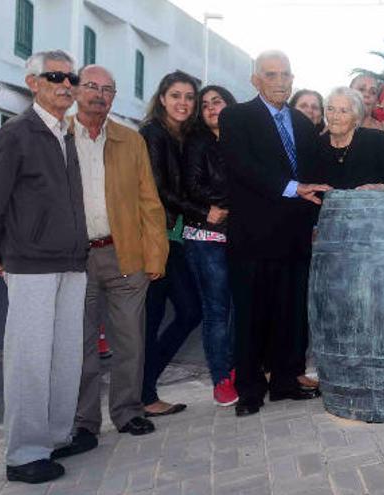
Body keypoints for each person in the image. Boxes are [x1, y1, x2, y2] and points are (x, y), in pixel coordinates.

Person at [0, 50, 88, 484]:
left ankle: (56, 436)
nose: (66, 84)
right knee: (29, 359)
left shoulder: (66, 133)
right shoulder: (17, 134)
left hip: (71, 262)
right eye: (55, 76)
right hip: (31, 264)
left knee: (65, 355)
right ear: (33, 82)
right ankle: (23, 454)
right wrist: (3, 255)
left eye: (71, 77)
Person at [56, 65, 169, 461]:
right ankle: (84, 423)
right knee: (80, 346)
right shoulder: (57, 135)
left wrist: (154, 255)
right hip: (74, 259)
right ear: (75, 90)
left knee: (130, 341)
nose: (99, 95)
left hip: (125, 254)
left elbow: (149, 202)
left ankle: (126, 411)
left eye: (108, 89)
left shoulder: (129, 139)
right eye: (92, 87)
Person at [219, 50, 330, 417]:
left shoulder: (302, 122)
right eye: (271, 74)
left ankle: (285, 381)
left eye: (286, 75)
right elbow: (242, 167)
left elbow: (315, 171)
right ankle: (250, 389)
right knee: (251, 316)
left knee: (290, 312)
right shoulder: (235, 117)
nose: (281, 81)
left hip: (295, 236)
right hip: (252, 236)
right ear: (255, 80)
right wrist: (291, 187)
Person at [139, 71, 204, 418]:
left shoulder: (185, 137)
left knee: (190, 312)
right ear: (162, 98)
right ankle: (145, 394)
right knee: (151, 321)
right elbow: (159, 191)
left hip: (175, 239)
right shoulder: (152, 134)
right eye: (176, 95)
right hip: (154, 239)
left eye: (189, 97)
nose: (183, 102)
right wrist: (205, 211)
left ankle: (144, 387)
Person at [183, 85, 239, 407]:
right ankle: (221, 379)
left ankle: (237, 370)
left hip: (240, 235)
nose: (211, 108)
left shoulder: (242, 141)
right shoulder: (197, 142)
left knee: (239, 308)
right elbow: (191, 185)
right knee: (217, 311)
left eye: (217, 101)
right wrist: (215, 207)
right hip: (206, 236)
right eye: (204, 105)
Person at [316, 87, 384, 190]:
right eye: (330, 109)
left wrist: (383, 187)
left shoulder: (379, 141)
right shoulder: (316, 145)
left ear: (356, 117)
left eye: (344, 111)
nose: (335, 116)